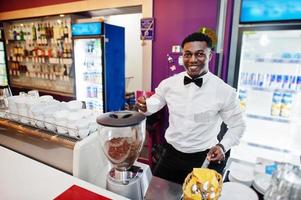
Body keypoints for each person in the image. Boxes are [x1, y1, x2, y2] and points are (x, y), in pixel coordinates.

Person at [136, 32, 246, 184]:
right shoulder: (169, 84)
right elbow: (156, 101)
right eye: (188, 54)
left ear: (210, 56)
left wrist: (222, 146)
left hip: (203, 157)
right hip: (170, 153)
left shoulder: (224, 91)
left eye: (200, 54)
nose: (193, 60)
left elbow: (238, 125)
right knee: (158, 194)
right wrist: (145, 106)